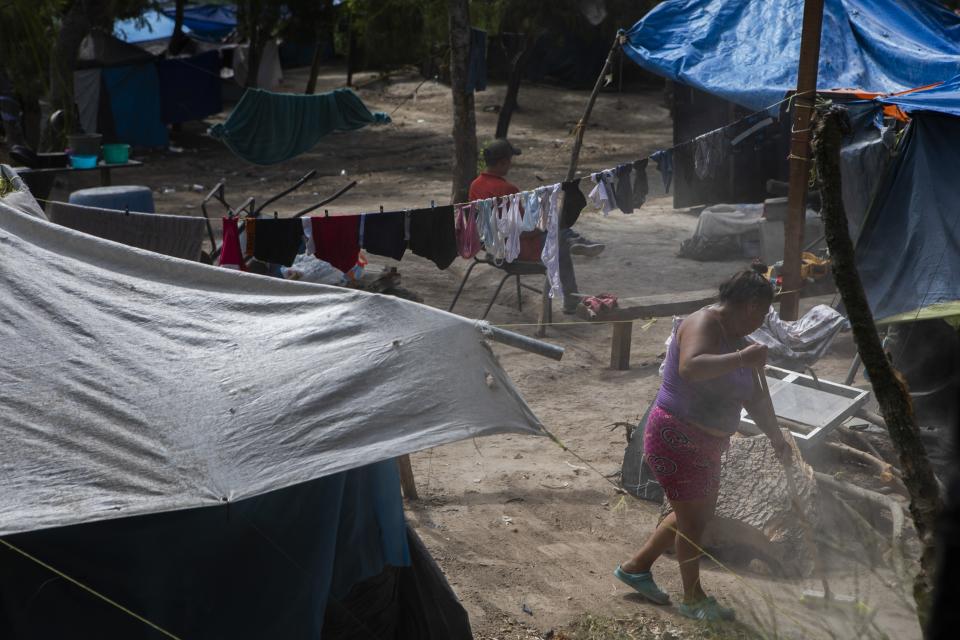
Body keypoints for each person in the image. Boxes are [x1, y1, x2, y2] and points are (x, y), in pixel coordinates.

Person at [615, 267, 791, 622]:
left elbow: (756, 398)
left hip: (707, 444)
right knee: (694, 522)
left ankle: (636, 567)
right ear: (750, 306)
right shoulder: (704, 323)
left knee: (694, 516)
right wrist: (744, 358)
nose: (760, 323)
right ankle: (693, 598)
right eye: (762, 314)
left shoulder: (740, 339)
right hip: (674, 436)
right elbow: (691, 367)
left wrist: (775, 436)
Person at [468, 138, 603, 314]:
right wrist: (542, 227)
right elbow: (522, 230)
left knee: (555, 232)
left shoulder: (475, 184)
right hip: (512, 251)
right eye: (509, 160)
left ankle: (572, 241)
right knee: (557, 240)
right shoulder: (507, 189)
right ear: (502, 162)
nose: (511, 164)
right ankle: (571, 296)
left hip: (490, 246)